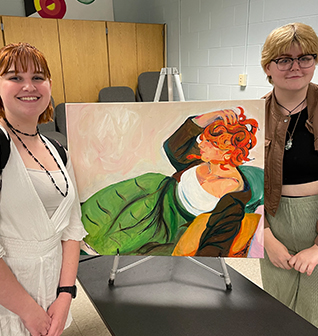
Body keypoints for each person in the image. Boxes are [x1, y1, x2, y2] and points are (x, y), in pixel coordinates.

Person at [81, 107, 264, 258]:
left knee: (119, 243)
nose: (201, 144)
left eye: (209, 142)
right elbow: (174, 147)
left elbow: (217, 239)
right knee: (95, 219)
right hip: (151, 192)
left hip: (170, 226)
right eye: (203, 139)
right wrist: (205, 119)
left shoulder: (233, 192)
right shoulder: (202, 161)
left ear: (226, 153)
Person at [0, 42, 87, 335]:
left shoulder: (58, 149)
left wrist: (65, 296)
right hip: (9, 303)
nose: (29, 86)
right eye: (14, 77)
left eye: (38, 77)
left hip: (52, 292)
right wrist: (28, 311)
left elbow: (72, 229)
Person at [260, 22, 318, 328]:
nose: (295, 66)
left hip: (317, 218)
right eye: (284, 59)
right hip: (273, 220)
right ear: (268, 67)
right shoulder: (253, 116)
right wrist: (266, 237)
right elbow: (247, 183)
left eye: (305, 57)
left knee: (314, 313)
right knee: (277, 309)